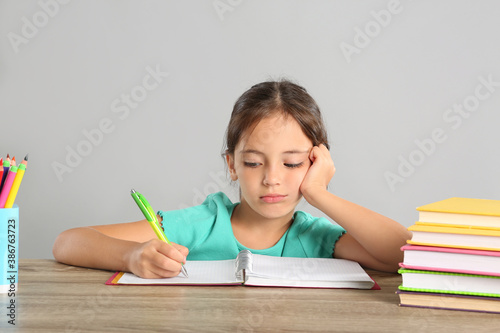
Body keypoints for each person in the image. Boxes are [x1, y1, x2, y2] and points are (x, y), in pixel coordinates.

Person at [53, 80, 411, 278]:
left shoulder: (313, 237)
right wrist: (132, 256)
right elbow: (68, 243)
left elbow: (406, 255)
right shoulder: (201, 224)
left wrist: (318, 193)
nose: (272, 179)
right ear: (232, 165)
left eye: (292, 164)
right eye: (254, 163)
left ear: (316, 162)